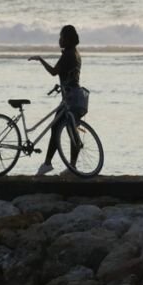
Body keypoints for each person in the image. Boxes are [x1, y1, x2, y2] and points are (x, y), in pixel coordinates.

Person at [28, 24, 82, 175]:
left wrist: (40, 59)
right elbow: (70, 75)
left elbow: (54, 71)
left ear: (68, 39)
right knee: (71, 131)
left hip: (70, 100)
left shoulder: (68, 55)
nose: (59, 40)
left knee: (59, 129)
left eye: (61, 37)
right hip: (75, 96)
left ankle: (48, 163)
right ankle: (71, 166)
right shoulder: (75, 53)